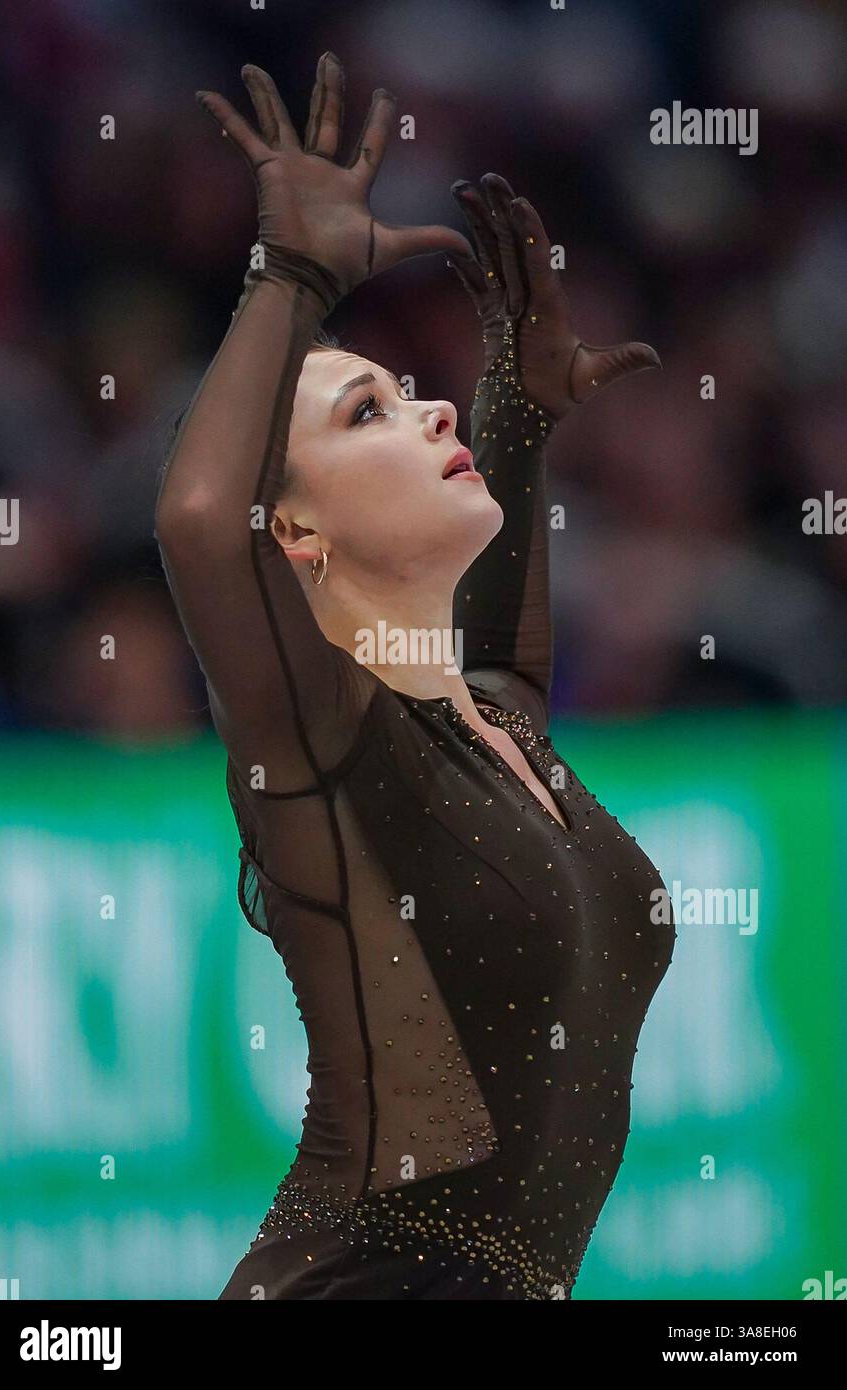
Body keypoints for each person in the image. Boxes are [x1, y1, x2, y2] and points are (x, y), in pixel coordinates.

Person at [155, 52, 676, 1300]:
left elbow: (499, 660)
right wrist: (292, 273)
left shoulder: (497, 728)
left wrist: (520, 405)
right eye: (368, 414)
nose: (432, 411)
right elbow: (194, 519)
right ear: (294, 540)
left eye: (412, 390)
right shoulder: (326, 743)